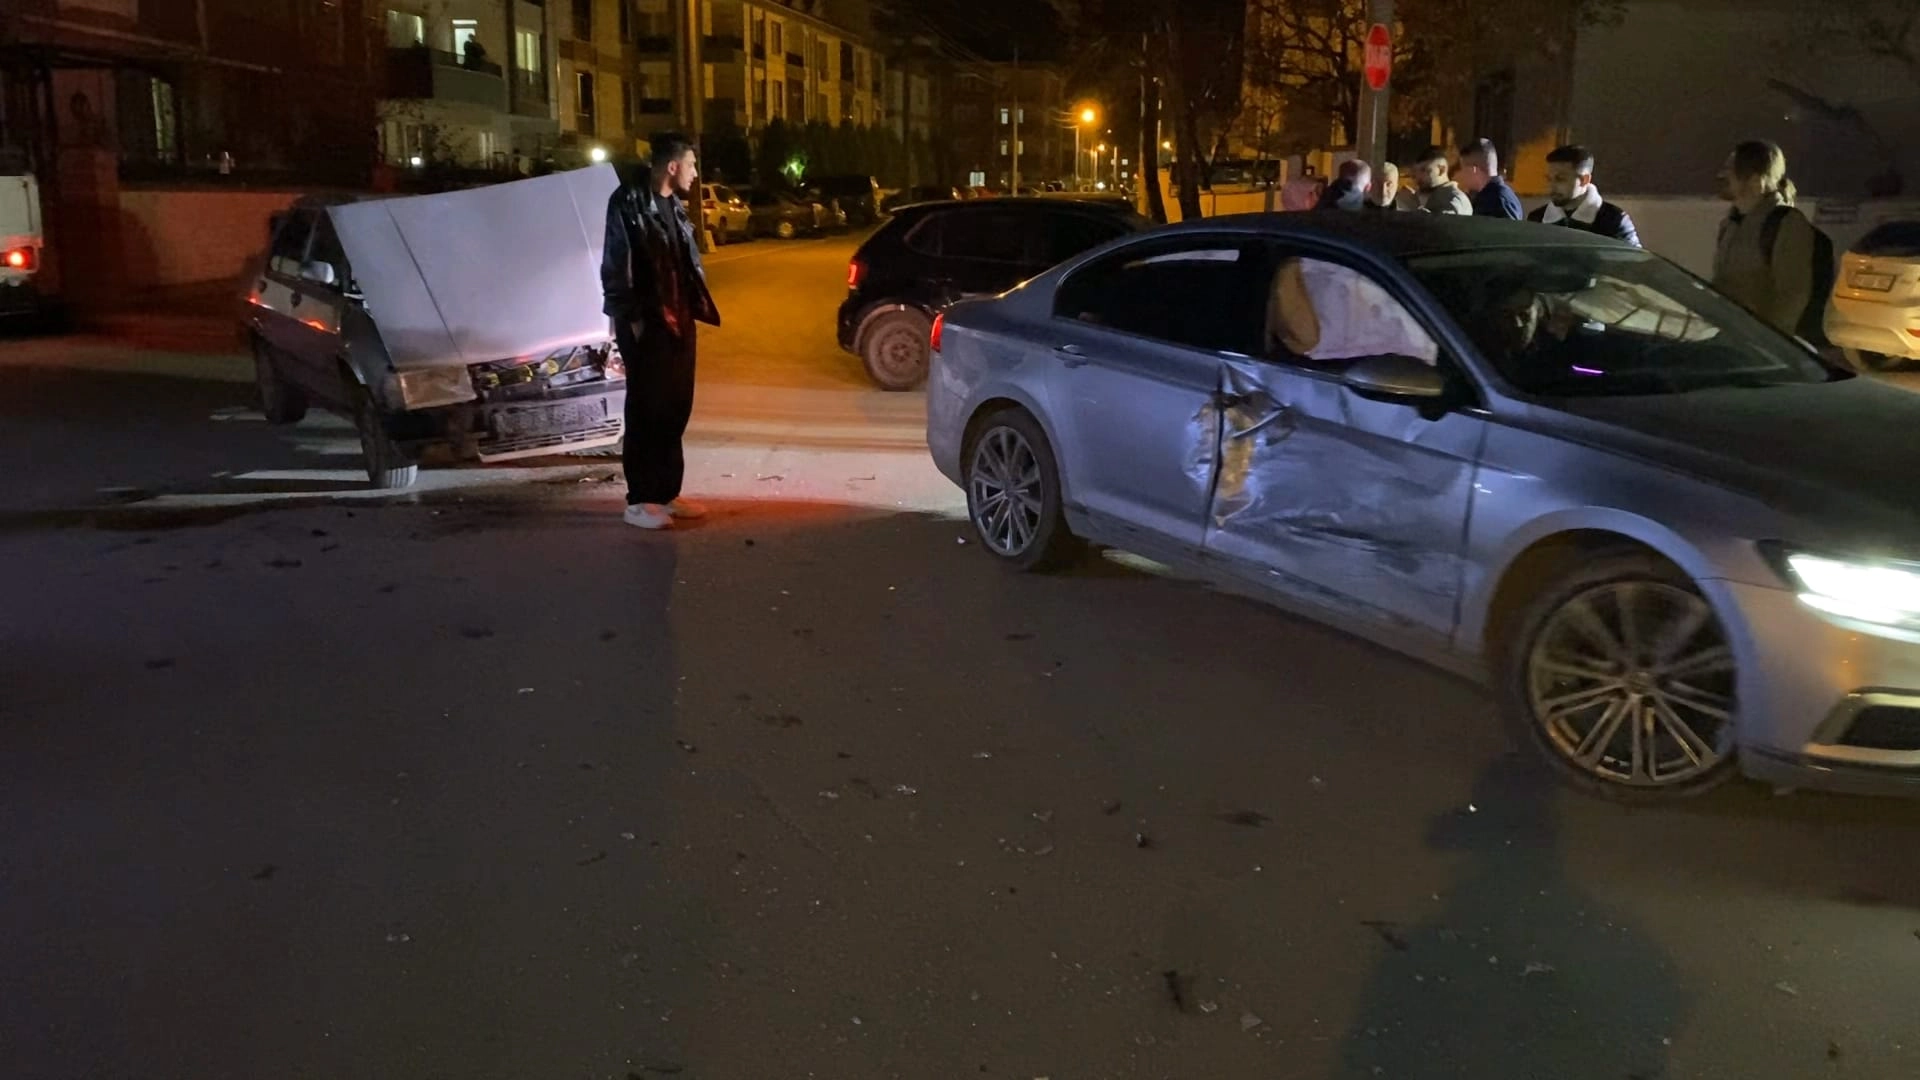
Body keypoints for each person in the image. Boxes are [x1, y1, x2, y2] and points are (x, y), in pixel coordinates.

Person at [601, 134, 722, 530]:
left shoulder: (674, 206)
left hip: (679, 320)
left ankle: (667, 492)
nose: (695, 173)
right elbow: (615, 265)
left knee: (675, 406)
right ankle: (640, 500)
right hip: (647, 322)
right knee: (647, 409)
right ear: (673, 166)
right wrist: (633, 319)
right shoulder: (628, 202)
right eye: (691, 164)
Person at [1711, 139, 1829, 339]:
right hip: (1732, 336)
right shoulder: (1730, 223)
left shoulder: (1786, 224)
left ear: (1755, 181)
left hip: (1758, 343)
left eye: (1730, 170)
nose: (1721, 176)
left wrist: (1769, 342)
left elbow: (1793, 295)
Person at [1529, 144, 1640, 246]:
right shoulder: (1537, 219)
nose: (1551, 186)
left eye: (1560, 179)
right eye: (1549, 179)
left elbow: (1633, 260)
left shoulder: (1613, 220)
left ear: (1584, 180)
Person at [1458, 138, 1523, 219]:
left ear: (1474, 170)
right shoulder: (1489, 197)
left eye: (1463, 169)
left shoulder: (1499, 200)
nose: (1461, 174)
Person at [1412, 147, 1472, 215]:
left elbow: (1445, 221)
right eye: (1415, 171)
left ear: (1441, 170)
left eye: (1423, 170)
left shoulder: (1455, 200)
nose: (1418, 176)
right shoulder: (1431, 197)